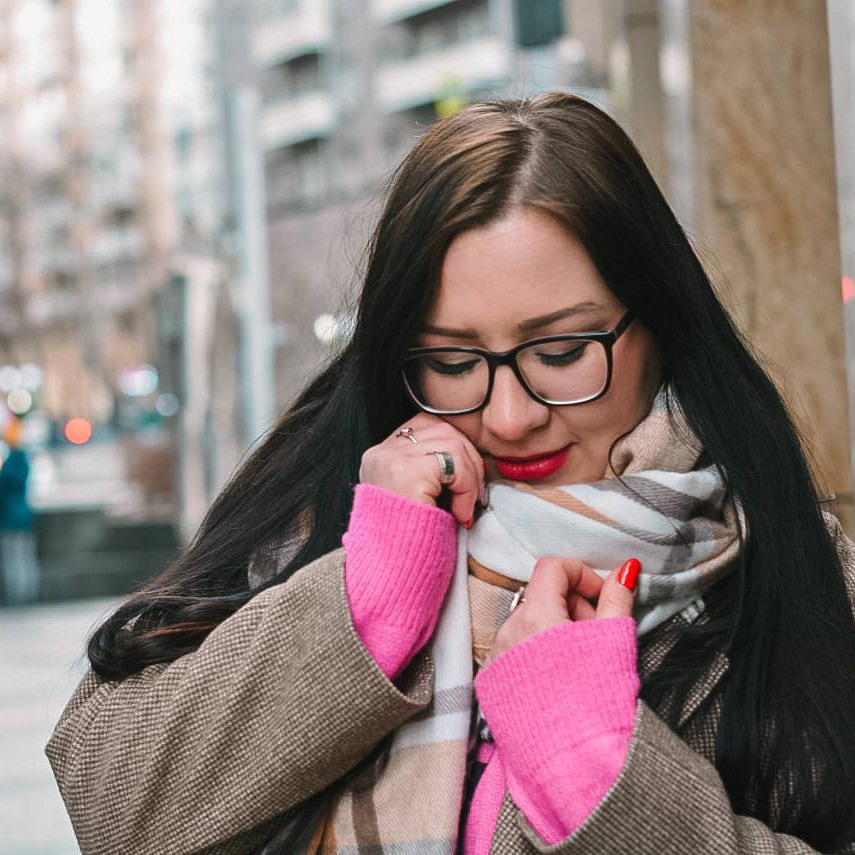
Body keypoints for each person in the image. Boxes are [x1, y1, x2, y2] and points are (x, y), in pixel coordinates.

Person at [46, 93, 855, 855]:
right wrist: (363, 605)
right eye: (453, 361)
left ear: (662, 324)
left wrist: (598, 772)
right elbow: (109, 801)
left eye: (561, 352)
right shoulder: (328, 506)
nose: (509, 415)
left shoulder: (801, 574)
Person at [0, 416, 40, 605]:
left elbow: (4, 487)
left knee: (14, 555)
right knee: (24, 554)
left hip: (10, 518)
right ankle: (27, 589)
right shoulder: (22, 461)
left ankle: (19, 591)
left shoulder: (11, 464)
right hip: (22, 517)